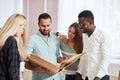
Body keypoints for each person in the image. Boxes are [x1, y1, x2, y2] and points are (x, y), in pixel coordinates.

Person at [76, 10, 111, 80]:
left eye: (83, 24)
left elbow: (106, 59)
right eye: (79, 24)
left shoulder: (103, 35)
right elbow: (84, 56)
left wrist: (97, 77)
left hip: (100, 77)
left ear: (91, 23)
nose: (80, 27)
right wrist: (79, 73)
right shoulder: (85, 36)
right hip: (86, 76)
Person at [25, 13, 62, 80]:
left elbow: (57, 57)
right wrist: (41, 69)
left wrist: (65, 61)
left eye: (48, 25)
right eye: (43, 26)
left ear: (51, 24)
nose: (46, 28)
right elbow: (26, 63)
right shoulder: (32, 39)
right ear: (38, 24)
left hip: (57, 77)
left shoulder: (55, 38)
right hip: (41, 78)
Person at [0, 13, 27, 80]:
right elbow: (13, 71)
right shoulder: (12, 41)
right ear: (16, 26)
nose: (23, 30)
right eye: (22, 27)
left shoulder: (3, 40)